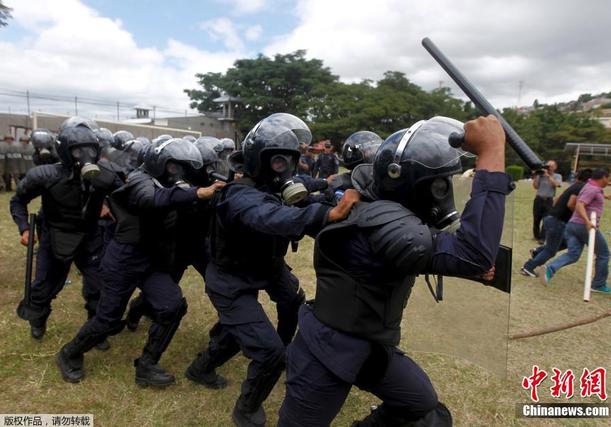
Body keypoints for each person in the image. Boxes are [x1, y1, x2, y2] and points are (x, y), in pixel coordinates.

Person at [278, 115, 513, 426]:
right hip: (327, 349)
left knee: (422, 408)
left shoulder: (388, 212)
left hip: (371, 346)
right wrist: (492, 151)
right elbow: (473, 256)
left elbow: (455, 253)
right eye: (442, 185)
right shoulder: (385, 224)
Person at [185, 113, 359, 427]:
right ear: (260, 160)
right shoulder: (238, 196)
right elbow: (269, 217)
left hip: (268, 267)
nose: (287, 171)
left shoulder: (275, 186)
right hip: (231, 279)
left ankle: (274, 347)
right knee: (267, 353)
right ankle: (245, 408)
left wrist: (341, 183)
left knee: (293, 300)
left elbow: (307, 188)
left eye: (291, 162)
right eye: (280, 162)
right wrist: (325, 214)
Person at [56, 137, 225, 386]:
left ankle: (147, 365)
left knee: (172, 306)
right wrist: (197, 193)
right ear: (161, 162)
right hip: (124, 259)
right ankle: (69, 353)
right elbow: (151, 199)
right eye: (174, 166)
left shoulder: (177, 185)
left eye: (183, 168)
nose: (178, 173)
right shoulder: (140, 179)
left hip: (152, 261)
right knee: (108, 319)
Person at [9, 118, 123, 342]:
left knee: (99, 286)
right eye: (78, 151)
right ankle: (38, 320)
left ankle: (96, 330)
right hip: (55, 235)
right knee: (44, 286)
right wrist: (24, 228)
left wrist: (107, 204)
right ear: (65, 151)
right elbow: (18, 201)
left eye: (90, 149)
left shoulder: (106, 174)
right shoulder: (45, 175)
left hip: (90, 236)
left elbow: (126, 196)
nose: (85, 155)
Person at [541, 168, 611, 294]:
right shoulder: (592, 189)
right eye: (609, 178)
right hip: (584, 227)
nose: (609, 181)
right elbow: (580, 204)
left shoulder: (590, 186)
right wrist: (587, 221)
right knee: (603, 254)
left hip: (572, 226)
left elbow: (592, 195)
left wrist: (605, 196)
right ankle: (599, 284)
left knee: (573, 254)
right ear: (604, 177)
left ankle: (550, 269)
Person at [520, 168, 592, 277]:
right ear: (590, 179)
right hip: (557, 221)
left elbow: (557, 199)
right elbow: (571, 204)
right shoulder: (581, 188)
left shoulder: (575, 186)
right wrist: (581, 217)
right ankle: (528, 267)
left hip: (554, 219)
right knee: (551, 251)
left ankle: (538, 251)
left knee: (565, 243)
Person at [532, 159, 562, 242]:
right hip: (538, 199)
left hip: (549, 200)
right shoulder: (540, 175)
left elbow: (557, 185)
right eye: (547, 166)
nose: (548, 168)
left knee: (546, 219)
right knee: (536, 219)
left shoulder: (557, 176)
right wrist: (535, 177)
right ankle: (536, 236)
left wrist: (548, 176)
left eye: (551, 166)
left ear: (555, 167)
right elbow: (536, 187)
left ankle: (542, 238)